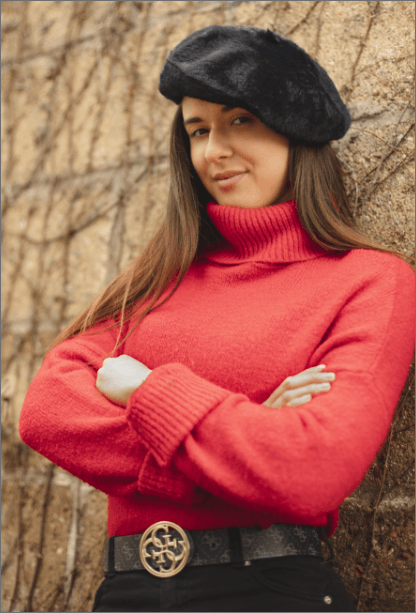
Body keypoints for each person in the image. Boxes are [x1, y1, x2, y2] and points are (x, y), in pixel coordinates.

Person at [19, 25, 414, 613]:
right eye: (197, 130)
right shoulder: (157, 279)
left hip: (269, 590)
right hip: (126, 594)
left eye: (239, 121)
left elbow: (313, 469)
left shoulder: (369, 281)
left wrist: (149, 389)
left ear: (297, 133)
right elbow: (47, 411)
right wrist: (247, 428)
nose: (212, 152)